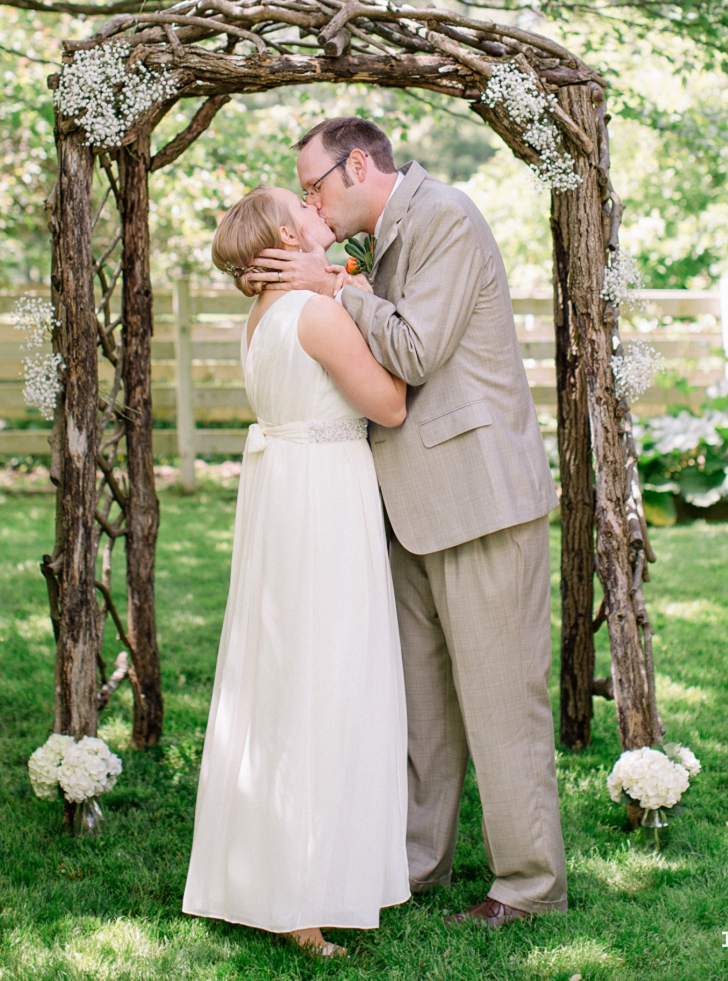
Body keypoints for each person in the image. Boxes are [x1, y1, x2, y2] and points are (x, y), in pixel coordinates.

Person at [249, 117, 568, 927]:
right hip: (408, 508)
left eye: (316, 185)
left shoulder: (446, 218)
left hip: (478, 498)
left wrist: (336, 289)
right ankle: (414, 864)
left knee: (501, 702)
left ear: (358, 165)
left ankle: (527, 886)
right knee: (423, 710)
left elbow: (417, 351)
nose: (314, 203)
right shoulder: (383, 240)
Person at [182, 186, 411, 956]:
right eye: (307, 210)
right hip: (324, 501)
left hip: (287, 497)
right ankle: (303, 893)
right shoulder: (316, 313)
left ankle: (281, 871)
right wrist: (359, 292)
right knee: (325, 678)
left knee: (283, 678)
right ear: (287, 233)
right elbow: (390, 404)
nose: (323, 215)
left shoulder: (261, 319)